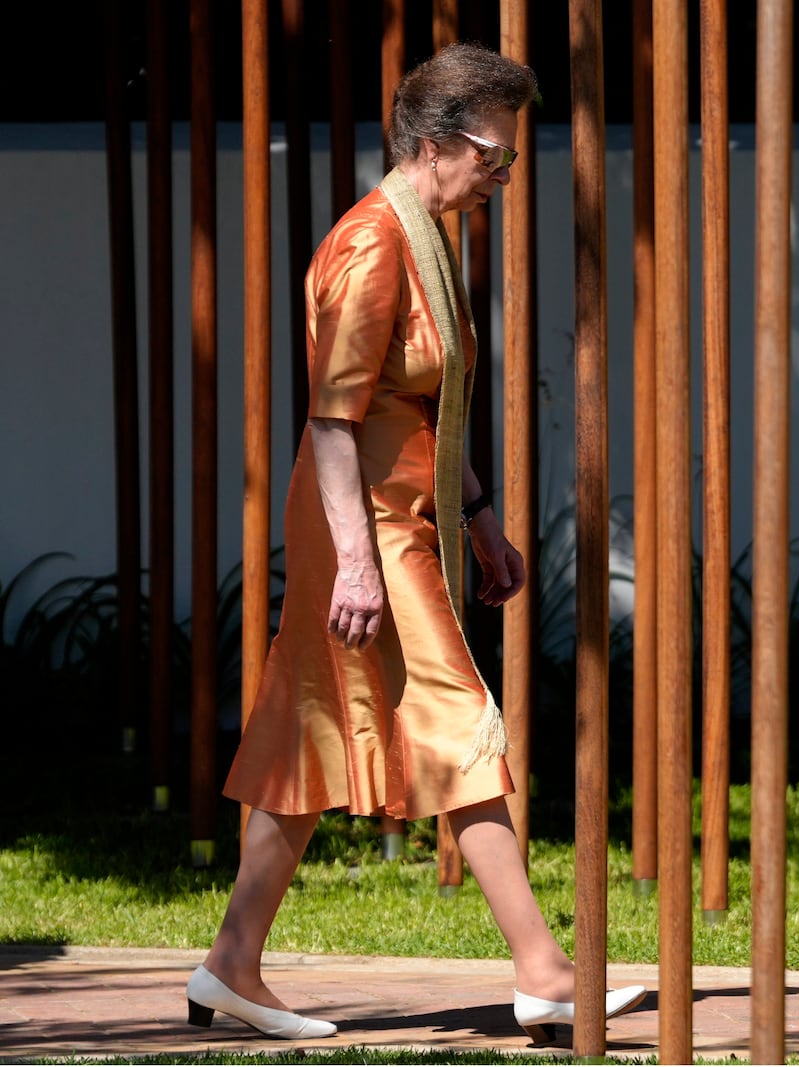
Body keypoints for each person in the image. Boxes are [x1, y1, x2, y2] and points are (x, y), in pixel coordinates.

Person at [185, 41, 644, 1042]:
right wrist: (356, 556)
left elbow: (418, 405)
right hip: (365, 522)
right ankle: (542, 966)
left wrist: (478, 515)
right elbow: (336, 418)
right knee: (455, 709)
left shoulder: (427, 235)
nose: (503, 175)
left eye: (511, 160)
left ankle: (230, 963)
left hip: (405, 513)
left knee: (305, 729)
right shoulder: (371, 246)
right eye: (495, 156)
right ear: (437, 143)